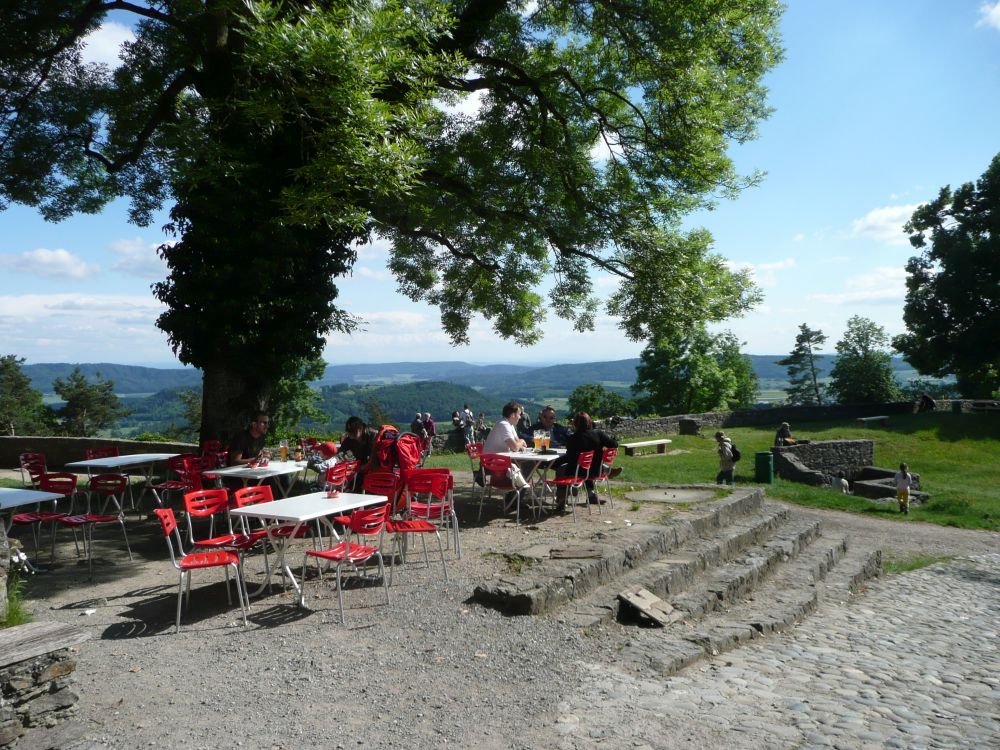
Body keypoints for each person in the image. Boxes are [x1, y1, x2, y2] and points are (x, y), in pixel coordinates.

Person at [551, 412, 618, 511]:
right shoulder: (599, 434)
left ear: (575, 424)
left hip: (580, 472)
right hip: (596, 470)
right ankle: (592, 494)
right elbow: (614, 445)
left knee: (561, 469)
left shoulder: (573, 438)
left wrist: (555, 463)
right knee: (585, 467)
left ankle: (562, 499)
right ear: (590, 422)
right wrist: (613, 439)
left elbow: (570, 457)